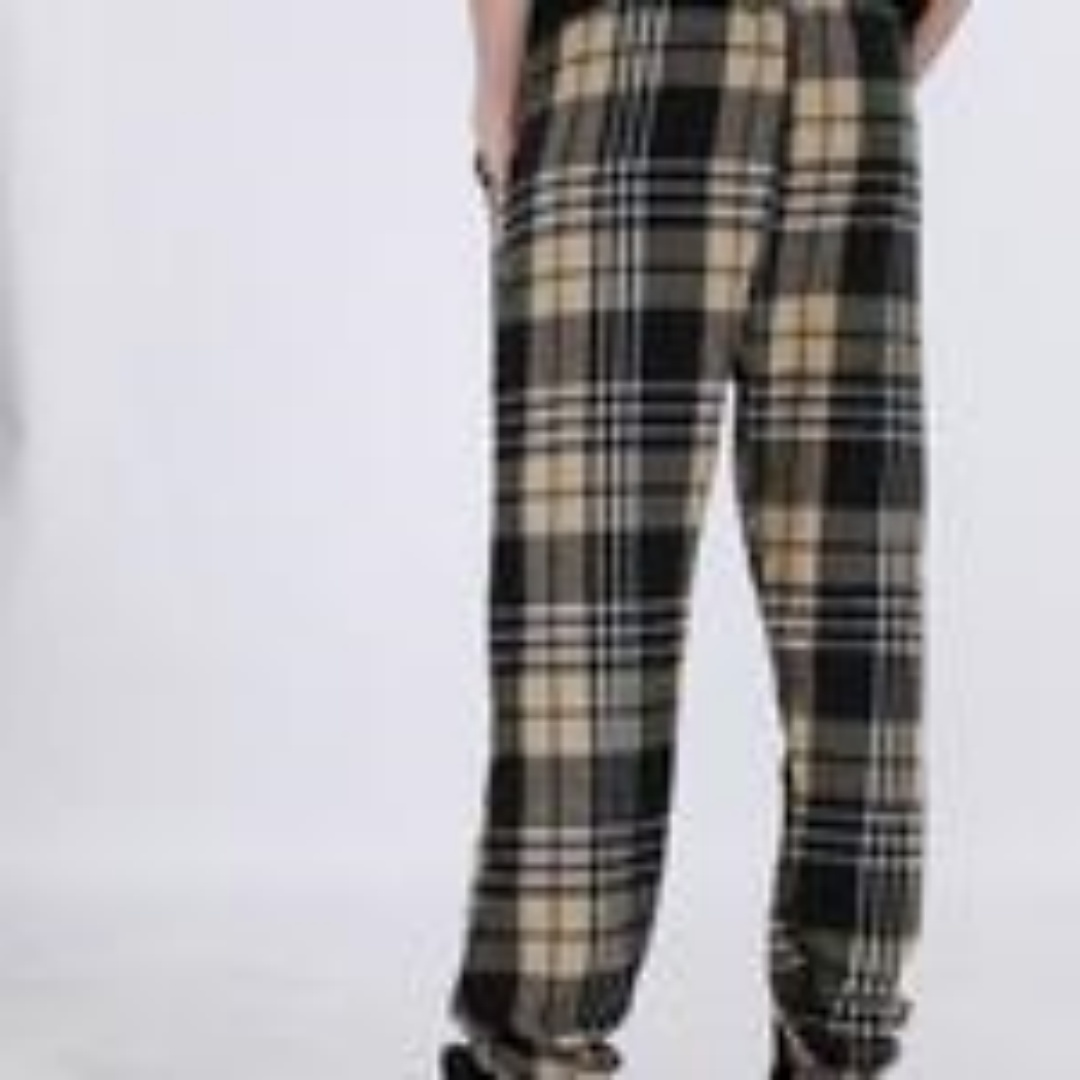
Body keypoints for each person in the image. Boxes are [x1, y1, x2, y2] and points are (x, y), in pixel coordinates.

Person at [442, 0, 971, 1075]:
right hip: (853, 68)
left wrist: (496, 94)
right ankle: (841, 1036)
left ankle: (543, 1040)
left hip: (632, 60)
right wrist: (870, 67)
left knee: (589, 587)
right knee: (853, 590)